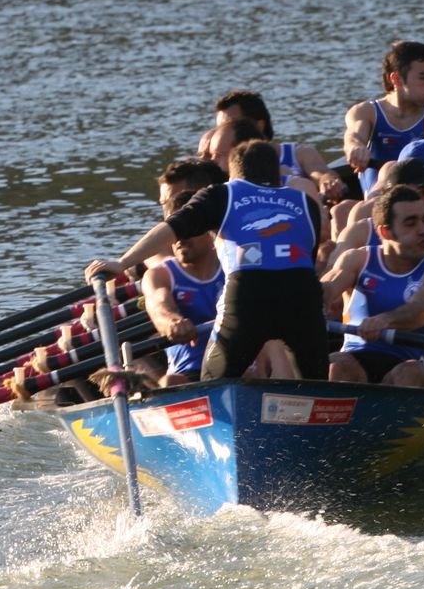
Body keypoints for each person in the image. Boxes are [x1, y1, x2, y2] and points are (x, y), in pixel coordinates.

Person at [85, 140, 326, 380]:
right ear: (276, 172)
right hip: (303, 295)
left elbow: (172, 227)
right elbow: (307, 256)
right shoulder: (306, 203)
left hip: (249, 294)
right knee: (316, 384)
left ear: (232, 174)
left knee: (215, 380)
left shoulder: (224, 193)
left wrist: (122, 263)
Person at [321, 185, 424, 387]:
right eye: (411, 223)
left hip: (413, 361)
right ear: (385, 232)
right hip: (357, 359)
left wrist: (385, 320)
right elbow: (329, 286)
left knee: (409, 374)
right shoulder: (357, 260)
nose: (423, 230)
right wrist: (314, 298)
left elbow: (421, 311)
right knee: (336, 365)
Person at [139, 190, 225, 387]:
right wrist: (172, 321)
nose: (180, 238)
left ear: (210, 229)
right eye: (174, 230)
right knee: (170, 382)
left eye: (188, 228)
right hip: (190, 372)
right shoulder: (160, 275)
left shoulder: (232, 265)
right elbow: (159, 305)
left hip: (239, 366)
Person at [213, 89, 347, 201]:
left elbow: (319, 172)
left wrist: (327, 181)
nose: (223, 133)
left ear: (259, 125)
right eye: (221, 128)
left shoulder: (300, 153)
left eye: (232, 124)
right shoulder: (220, 163)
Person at [342, 40, 424, 196]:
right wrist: (356, 147)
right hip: (377, 207)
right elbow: (353, 136)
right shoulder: (366, 112)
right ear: (396, 79)